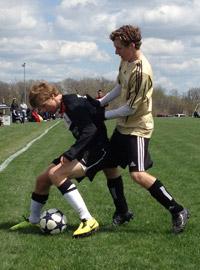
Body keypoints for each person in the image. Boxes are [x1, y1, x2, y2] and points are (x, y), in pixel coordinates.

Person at [87, 25, 189, 233]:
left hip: (137, 128)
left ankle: (177, 210)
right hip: (123, 126)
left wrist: (103, 115)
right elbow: (119, 86)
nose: (116, 51)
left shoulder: (142, 71)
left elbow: (131, 107)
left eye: (119, 48)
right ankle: (123, 211)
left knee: (138, 175)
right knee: (109, 166)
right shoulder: (125, 60)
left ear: (132, 46)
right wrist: (100, 103)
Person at [10, 81, 113, 238]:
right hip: (84, 148)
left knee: (57, 175)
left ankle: (88, 220)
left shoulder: (72, 104)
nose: (43, 110)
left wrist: (71, 153)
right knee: (42, 180)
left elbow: (91, 130)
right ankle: (33, 220)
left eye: (43, 106)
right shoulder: (65, 104)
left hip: (96, 150)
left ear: (52, 96)